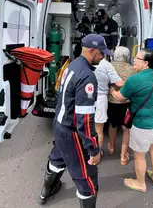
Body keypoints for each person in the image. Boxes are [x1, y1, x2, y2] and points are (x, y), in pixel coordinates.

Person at [38, 34, 110, 208]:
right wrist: (93, 150)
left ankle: (45, 193)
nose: (103, 57)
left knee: (57, 160)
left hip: (60, 125)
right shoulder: (87, 77)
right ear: (92, 51)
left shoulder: (73, 65)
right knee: (86, 176)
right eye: (101, 53)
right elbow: (84, 120)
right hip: (71, 133)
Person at [111, 49, 153, 193]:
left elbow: (119, 97)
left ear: (145, 63)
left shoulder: (135, 80)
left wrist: (112, 90)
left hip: (145, 127)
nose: (134, 60)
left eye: (136, 58)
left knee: (139, 156)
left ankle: (140, 183)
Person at [106, 46, 135, 165]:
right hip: (127, 103)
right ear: (127, 56)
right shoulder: (132, 69)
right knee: (126, 129)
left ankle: (111, 146)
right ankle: (123, 156)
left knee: (112, 125)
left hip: (112, 101)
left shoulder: (109, 66)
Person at [93, 55, 124, 157]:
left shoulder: (84, 62)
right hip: (101, 99)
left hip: (85, 97)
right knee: (99, 130)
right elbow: (119, 83)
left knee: (85, 127)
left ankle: (86, 153)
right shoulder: (106, 65)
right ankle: (97, 154)